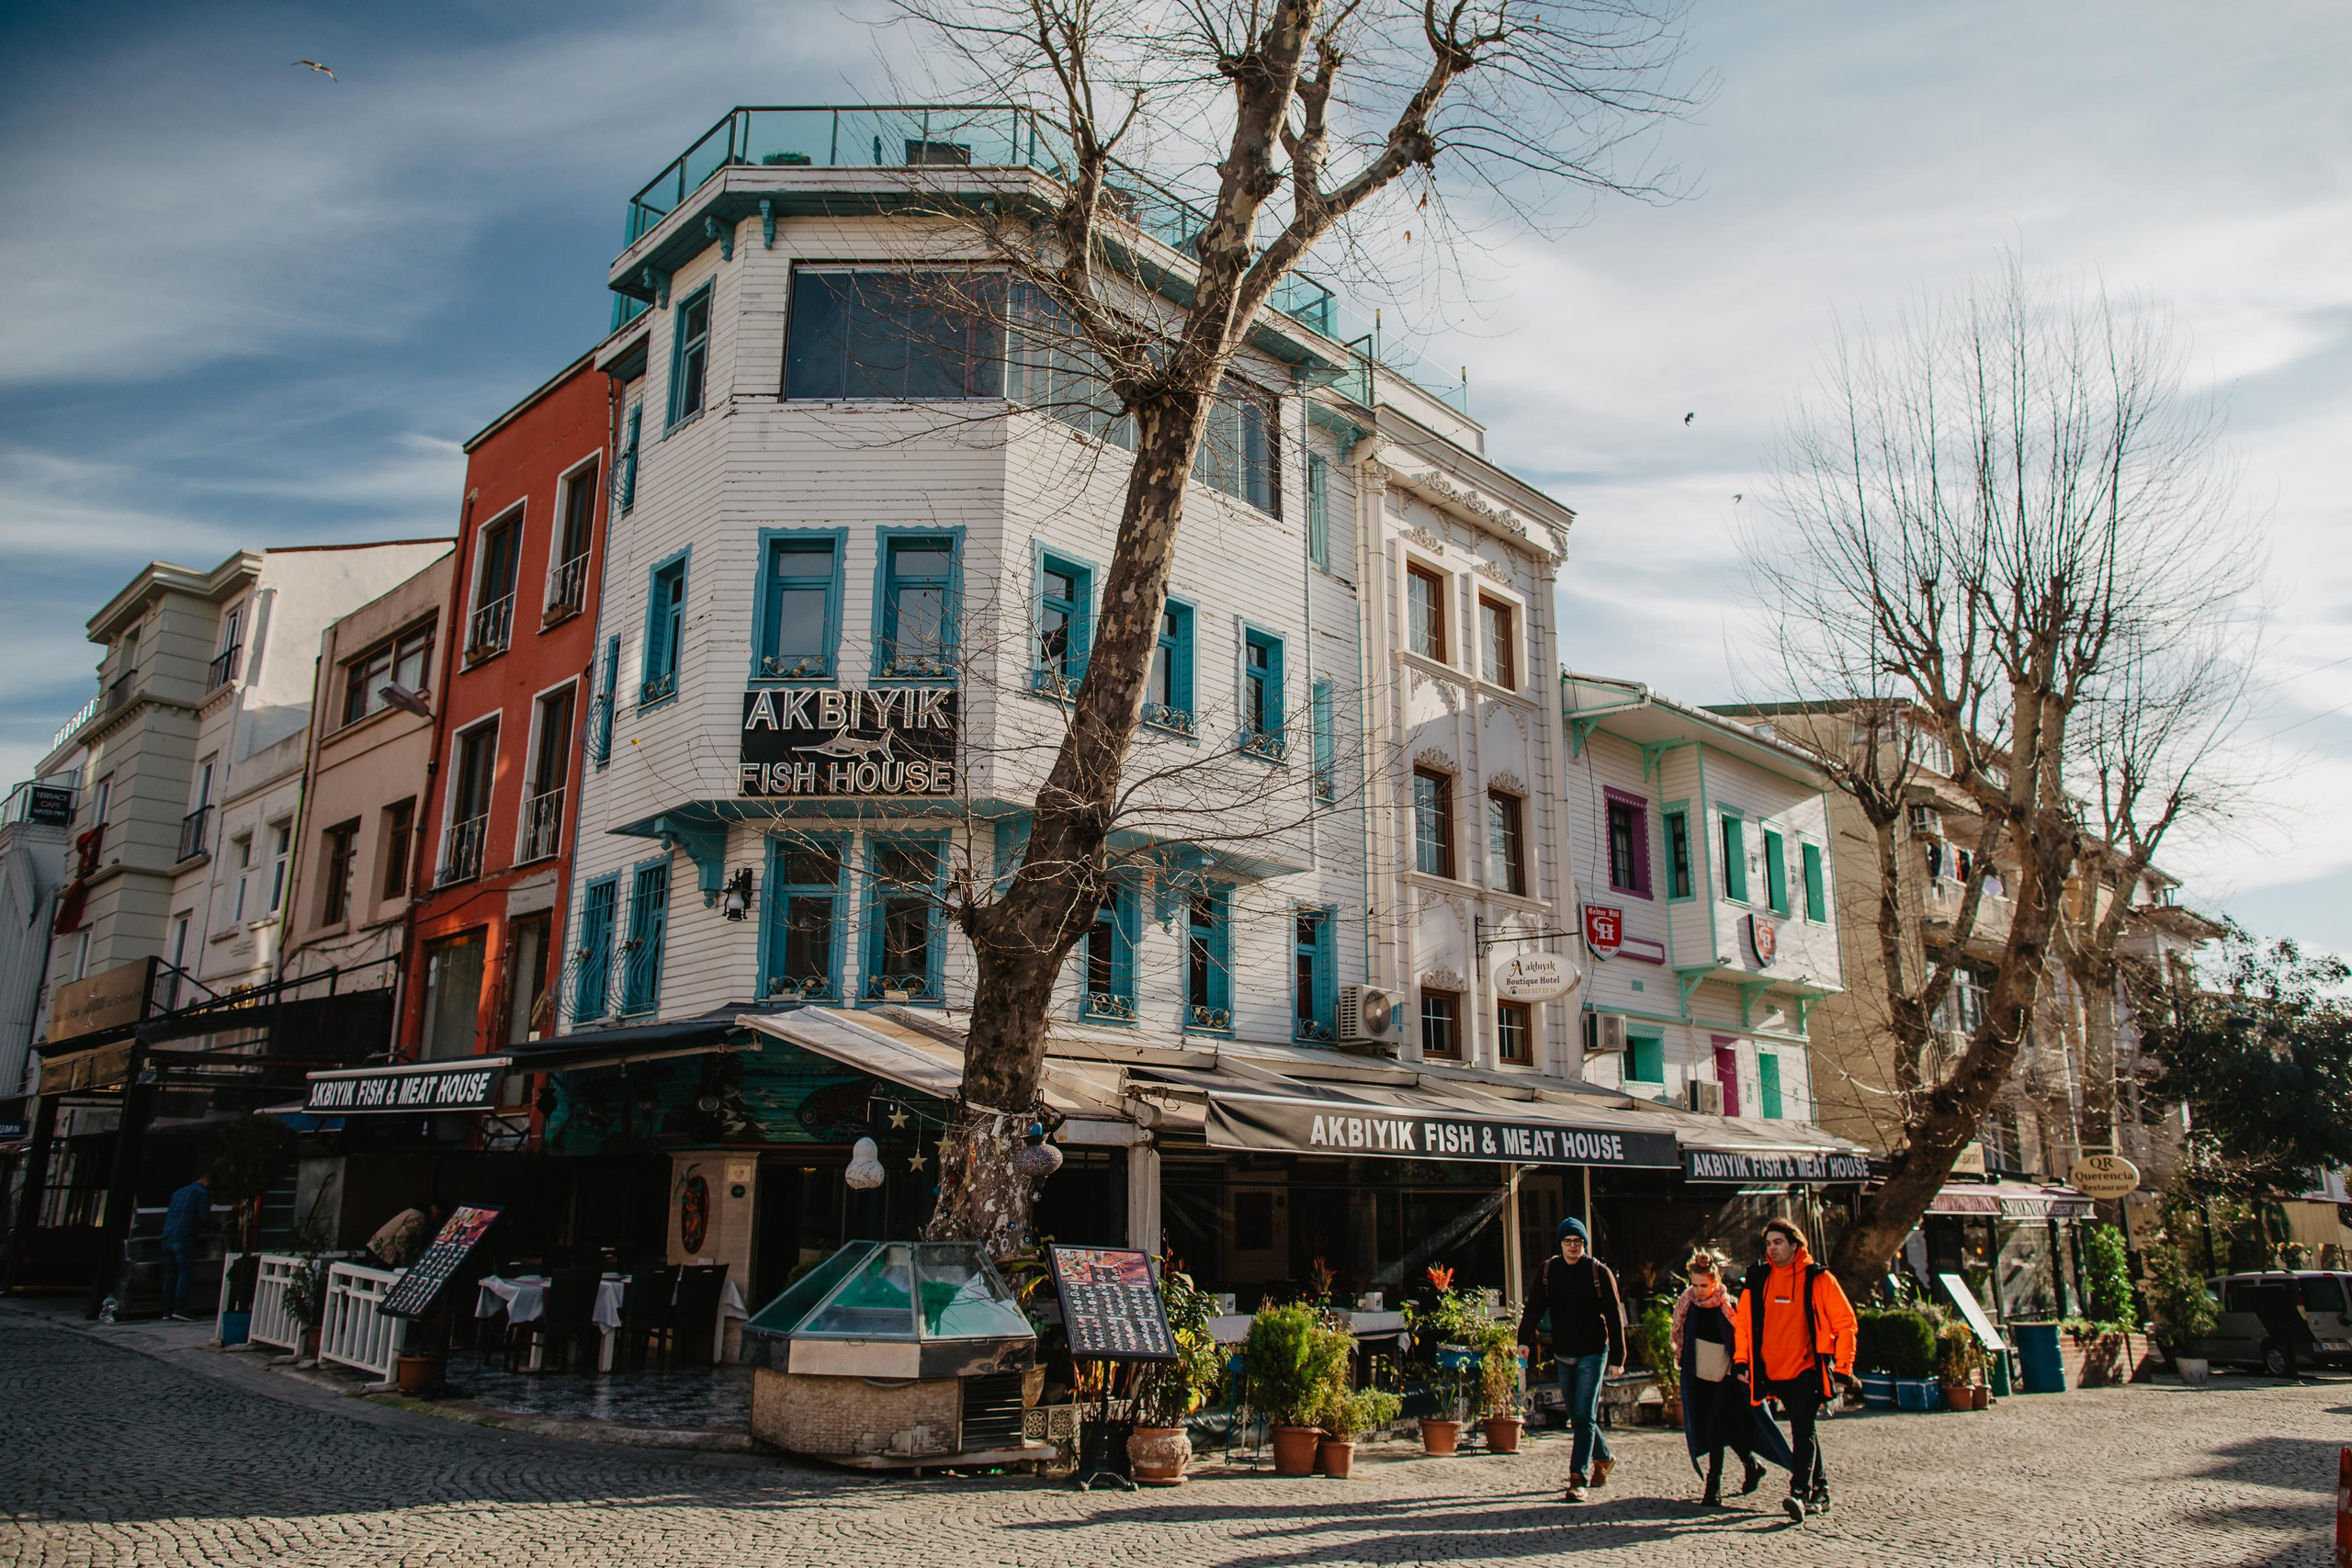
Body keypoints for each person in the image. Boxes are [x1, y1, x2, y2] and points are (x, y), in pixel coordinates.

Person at [1733, 1217, 1859, 1523]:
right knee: (1805, 1431)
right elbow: (1744, 1325)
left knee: (1802, 1428)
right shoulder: (1759, 1279)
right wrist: (1742, 1361)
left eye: (1778, 1242)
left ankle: (1799, 1492)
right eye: (1768, 1244)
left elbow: (1845, 1323)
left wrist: (1842, 1369)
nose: (1772, 1249)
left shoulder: (1818, 1279)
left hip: (1808, 1370)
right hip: (1773, 1371)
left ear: (1795, 1244)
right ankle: (1822, 1489)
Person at [1515, 1215, 1625, 1503]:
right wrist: (1523, 1340)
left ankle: (1578, 1478)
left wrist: (1618, 1358)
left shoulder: (1598, 1272)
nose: (1573, 1247)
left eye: (1578, 1242)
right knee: (1577, 1416)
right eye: (1568, 1241)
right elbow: (1534, 1307)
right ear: (1560, 1243)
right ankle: (1604, 1456)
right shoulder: (1549, 1271)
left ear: (1585, 1244)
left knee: (1584, 1413)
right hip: (1564, 1352)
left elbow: (1614, 1316)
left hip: (1592, 1350)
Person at [1674, 1247, 1784, 1506]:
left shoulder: (1728, 1306)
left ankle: (1713, 1486)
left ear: (1716, 1281)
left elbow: (1744, 1339)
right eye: (1695, 1285)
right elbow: (1681, 1337)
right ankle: (1751, 1465)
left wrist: (1745, 1370)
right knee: (1727, 1429)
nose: (1700, 1291)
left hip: (1727, 1376)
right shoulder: (1687, 1304)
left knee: (1716, 1427)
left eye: (1704, 1285)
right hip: (1699, 1376)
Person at [159, 1172, 212, 1321]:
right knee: (185, 1271)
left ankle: (166, 1311)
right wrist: (218, 1227)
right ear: (207, 1180)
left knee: (170, 1273)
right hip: (183, 1235)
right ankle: (181, 1308)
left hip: (167, 1234)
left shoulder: (179, 1192)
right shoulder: (202, 1192)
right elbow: (203, 1217)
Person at [366, 1201, 444, 1270]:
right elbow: (401, 1237)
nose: (437, 1218)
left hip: (376, 1246)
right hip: (384, 1252)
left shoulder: (413, 1212)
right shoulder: (419, 1217)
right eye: (438, 1214)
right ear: (433, 1208)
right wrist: (405, 1255)